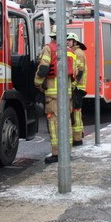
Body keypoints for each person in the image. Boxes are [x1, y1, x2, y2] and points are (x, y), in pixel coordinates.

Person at [34, 27, 76, 164]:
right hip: (67, 94)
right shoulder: (70, 51)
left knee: (54, 123)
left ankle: (57, 153)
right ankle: (67, 152)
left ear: (52, 36)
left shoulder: (49, 48)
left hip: (53, 95)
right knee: (67, 123)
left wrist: (37, 83)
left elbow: (44, 68)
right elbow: (74, 73)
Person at [68, 33, 87, 147]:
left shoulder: (78, 53)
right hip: (77, 86)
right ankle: (79, 134)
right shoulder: (74, 52)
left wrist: (74, 84)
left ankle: (77, 138)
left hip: (77, 87)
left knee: (76, 113)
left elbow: (80, 71)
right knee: (76, 112)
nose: (67, 42)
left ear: (75, 42)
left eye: (69, 41)